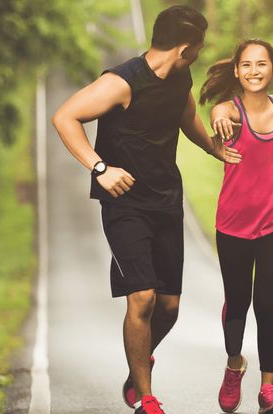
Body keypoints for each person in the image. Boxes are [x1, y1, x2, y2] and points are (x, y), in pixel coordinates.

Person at [51, 6, 241, 414]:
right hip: (126, 205)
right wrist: (100, 168)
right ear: (186, 49)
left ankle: (139, 363)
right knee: (142, 298)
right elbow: (65, 116)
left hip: (166, 200)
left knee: (169, 307)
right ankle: (145, 397)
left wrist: (212, 148)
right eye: (199, 48)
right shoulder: (121, 82)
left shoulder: (181, 76)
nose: (199, 54)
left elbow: (186, 115)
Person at [199, 39, 273, 414]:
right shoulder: (228, 110)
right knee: (238, 300)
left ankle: (268, 389)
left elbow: (272, 150)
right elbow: (218, 114)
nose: (254, 71)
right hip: (235, 222)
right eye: (246, 65)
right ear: (237, 71)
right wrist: (218, 120)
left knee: (266, 303)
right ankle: (234, 365)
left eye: (261, 64)